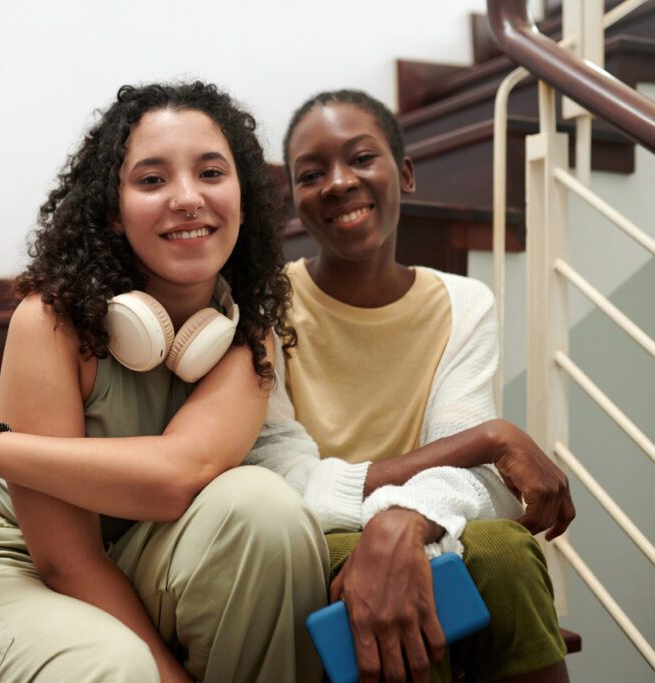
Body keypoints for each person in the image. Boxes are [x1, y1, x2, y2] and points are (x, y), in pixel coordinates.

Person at [0, 82, 329, 683]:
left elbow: (178, 477)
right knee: (115, 667)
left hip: (142, 553)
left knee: (266, 512)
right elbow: (66, 560)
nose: (188, 198)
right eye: (152, 180)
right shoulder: (51, 321)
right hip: (10, 562)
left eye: (211, 173)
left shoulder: (246, 332)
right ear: (114, 214)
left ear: (243, 198)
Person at [244, 89, 575, 683]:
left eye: (361, 158)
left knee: (504, 551)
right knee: (408, 577)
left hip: (421, 522)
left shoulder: (464, 303)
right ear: (295, 201)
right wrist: (488, 440)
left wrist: (405, 522)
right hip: (321, 540)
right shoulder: (265, 305)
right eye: (311, 173)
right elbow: (286, 482)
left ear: (406, 173)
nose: (339, 183)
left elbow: (482, 483)